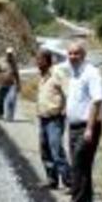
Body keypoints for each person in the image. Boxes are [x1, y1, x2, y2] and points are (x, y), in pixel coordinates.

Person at [64, 42, 102, 202]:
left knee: (78, 166)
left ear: (84, 55)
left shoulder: (91, 73)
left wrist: (89, 129)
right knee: (82, 167)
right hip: (74, 127)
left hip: (87, 128)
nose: (72, 57)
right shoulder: (74, 73)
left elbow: (97, 102)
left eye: (76, 53)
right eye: (70, 53)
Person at [36, 49, 71, 190]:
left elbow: (68, 91)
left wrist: (66, 109)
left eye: (40, 59)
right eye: (37, 59)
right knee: (45, 151)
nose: (37, 62)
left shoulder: (57, 74)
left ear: (47, 60)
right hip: (43, 119)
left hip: (55, 119)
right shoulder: (42, 76)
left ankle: (70, 182)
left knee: (56, 150)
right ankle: (52, 179)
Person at [0, 47, 21, 121]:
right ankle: (1, 114)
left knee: (11, 100)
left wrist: (18, 84)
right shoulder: (1, 61)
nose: (9, 55)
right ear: (6, 54)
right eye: (8, 54)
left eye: (11, 54)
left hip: (11, 85)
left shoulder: (14, 63)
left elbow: (16, 74)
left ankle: (9, 116)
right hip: (1, 84)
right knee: (0, 100)